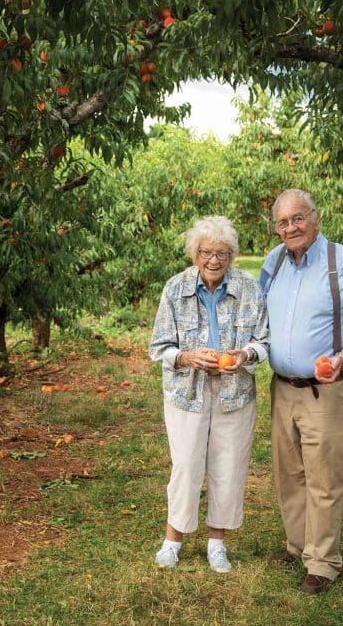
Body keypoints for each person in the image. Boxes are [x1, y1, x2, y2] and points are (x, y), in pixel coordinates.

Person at [259, 188, 343, 595]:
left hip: (327, 391)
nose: (291, 228)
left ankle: (323, 563)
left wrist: (342, 356)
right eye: (283, 222)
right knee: (289, 473)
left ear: (316, 218)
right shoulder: (274, 263)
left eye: (298, 219)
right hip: (283, 389)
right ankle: (297, 546)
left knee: (325, 477)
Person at [149, 215, 269, 574]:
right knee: (186, 464)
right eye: (206, 252)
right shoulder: (175, 289)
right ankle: (173, 540)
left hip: (235, 391)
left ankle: (217, 542)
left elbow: (264, 342)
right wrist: (187, 357)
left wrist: (244, 355)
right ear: (194, 253)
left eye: (222, 253)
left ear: (232, 255)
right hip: (187, 391)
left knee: (229, 464)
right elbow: (159, 347)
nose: (214, 260)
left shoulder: (249, 288)